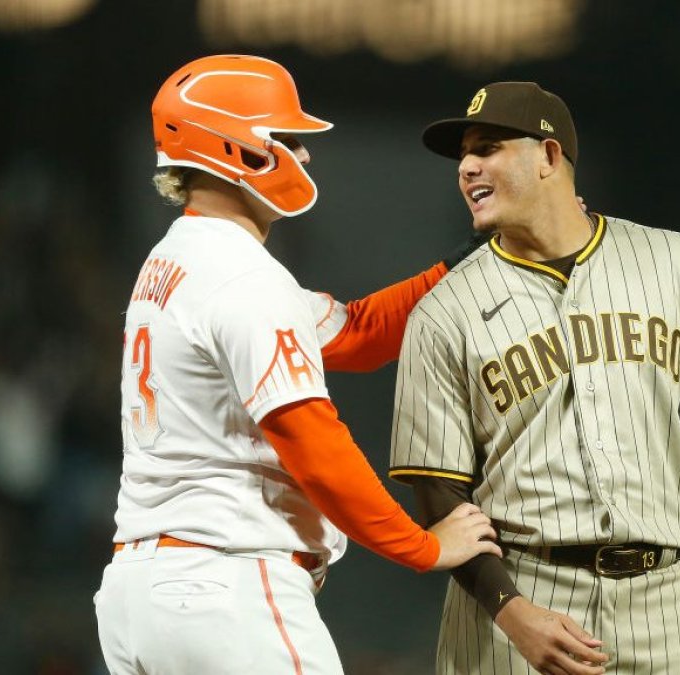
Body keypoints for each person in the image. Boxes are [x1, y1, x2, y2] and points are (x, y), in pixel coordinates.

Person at [388, 82, 680, 674]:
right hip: (517, 599)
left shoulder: (675, 262)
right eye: (463, 155)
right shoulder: (445, 311)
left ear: (548, 156)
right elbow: (438, 492)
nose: (466, 167)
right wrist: (512, 613)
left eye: (487, 148)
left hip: (658, 603)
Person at [93, 54, 502, 675]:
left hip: (141, 597)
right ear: (235, 148)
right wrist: (421, 546)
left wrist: (462, 265)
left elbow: (357, 332)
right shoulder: (241, 278)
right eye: (284, 139)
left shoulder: (177, 259)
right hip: (227, 587)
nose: (303, 156)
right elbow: (311, 438)